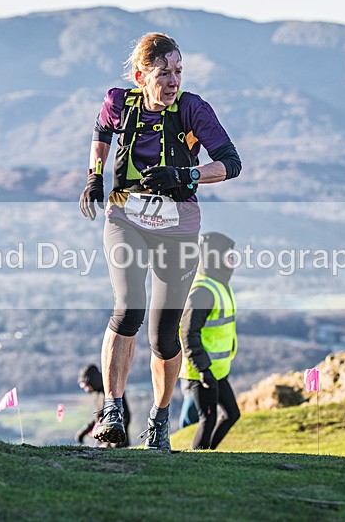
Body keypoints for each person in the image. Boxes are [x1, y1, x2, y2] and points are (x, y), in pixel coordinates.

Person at [79, 32, 241, 450]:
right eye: (163, 72)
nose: (173, 81)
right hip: (125, 215)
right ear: (140, 76)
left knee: (163, 335)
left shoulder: (192, 108)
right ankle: (112, 410)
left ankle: (159, 419)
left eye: (178, 71)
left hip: (178, 223)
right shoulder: (119, 102)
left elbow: (230, 163)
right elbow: (101, 130)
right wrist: (95, 177)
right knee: (128, 307)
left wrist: (185, 175)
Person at [179, 232, 240, 449]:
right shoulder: (203, 291)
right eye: (228, 256)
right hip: (202, 371)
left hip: (218, 370)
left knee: (232, 414)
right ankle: (197, 461)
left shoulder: (220, 285)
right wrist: (203, 369)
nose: (232, 261)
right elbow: (188, 333)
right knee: (208, 419)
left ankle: (208, 455)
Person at [74, 364, 131, 448]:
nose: (86, 389)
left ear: (92, 381)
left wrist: (118, 439)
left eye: (86, 385)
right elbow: (98, 418)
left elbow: (125, 415)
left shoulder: (112, 392)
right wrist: (84, 432)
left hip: (116, 439)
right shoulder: (98, 395)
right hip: (103, 437)